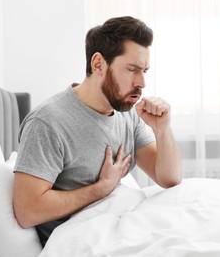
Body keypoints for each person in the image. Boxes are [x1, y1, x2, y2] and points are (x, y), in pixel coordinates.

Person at [12, 16, 182, 246]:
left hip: (124, 228)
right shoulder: (48, 122)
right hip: (85, 243)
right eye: (132, 69)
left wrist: (162, 130)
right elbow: (27, 211)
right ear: (98, 64)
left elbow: (169, 178)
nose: (142, 82)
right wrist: (101, 188)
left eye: (145, 71)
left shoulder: (127, 112)